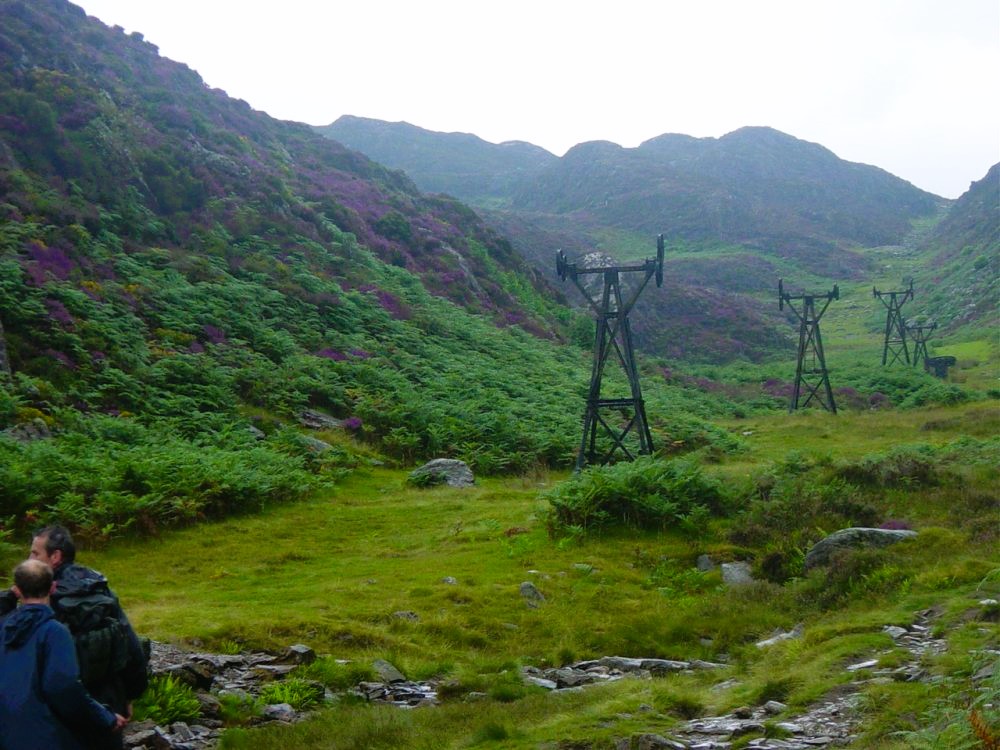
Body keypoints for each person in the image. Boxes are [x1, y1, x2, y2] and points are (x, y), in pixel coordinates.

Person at [29, 526, 149, 750]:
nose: (29, 559)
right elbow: (131, 645)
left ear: (55, 557)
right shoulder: (99, 588)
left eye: (35, 553)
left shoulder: (42, 597)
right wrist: (130, 695)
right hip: (110, 702)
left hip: (61, 710)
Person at [0, 559, 127, 750]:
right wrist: (105, 717)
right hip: (46, 737)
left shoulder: (4, 629)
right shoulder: (54, 632)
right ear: (53, 587)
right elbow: (63, 687)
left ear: (17, 590)